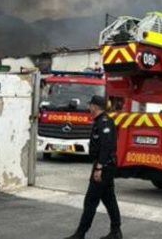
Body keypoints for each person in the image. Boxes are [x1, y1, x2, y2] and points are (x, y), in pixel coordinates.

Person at [64, 94, 122, 239]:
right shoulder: (100, 121)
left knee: (90, 200)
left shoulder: (104, 122)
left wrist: (99, 168)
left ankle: (80, 234)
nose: (89, 108)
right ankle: (116, 231)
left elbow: (106, 146)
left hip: (104, 166)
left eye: (90, 105)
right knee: (109, 199)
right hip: (104, 165)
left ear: (95, 107)